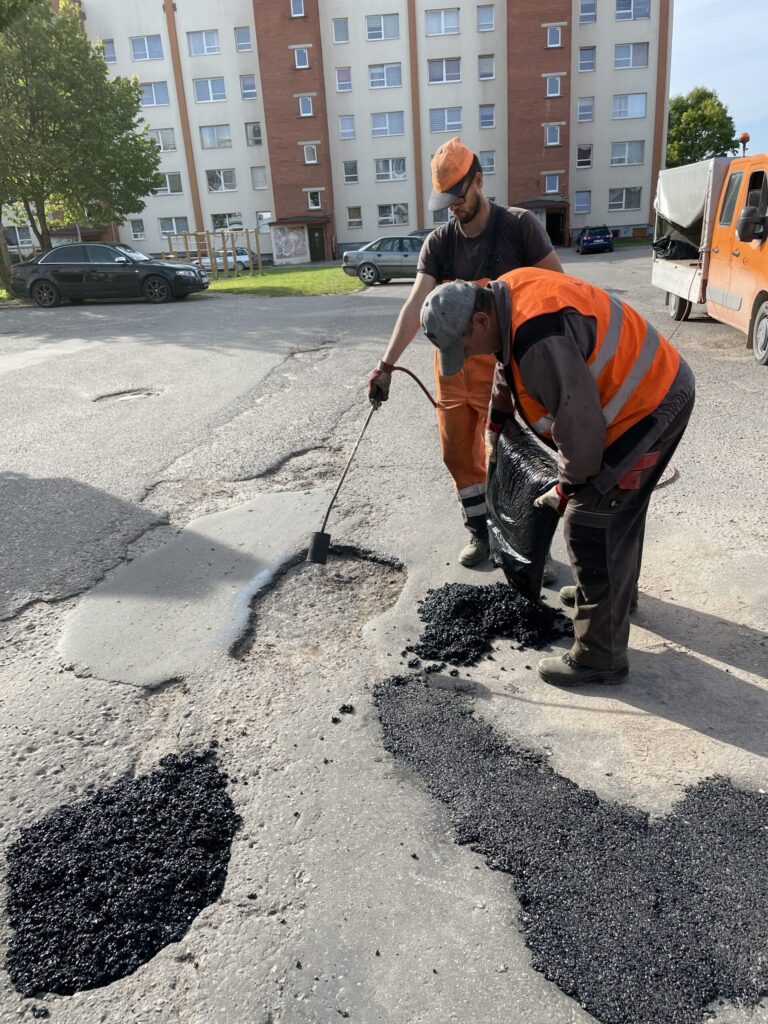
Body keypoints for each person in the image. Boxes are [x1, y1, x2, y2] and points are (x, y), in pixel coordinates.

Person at [419, 268, 695, 686]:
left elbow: (580, 429)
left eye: (466, 346)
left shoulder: (537, 335)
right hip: (653, 390)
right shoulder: (502, 299)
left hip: (648, 406)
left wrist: (566, 489)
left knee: (589, 521)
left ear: (478, 321)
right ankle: (608, 601)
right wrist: (495, 425)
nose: (470, 356)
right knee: (617, 514)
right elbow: (504, 364)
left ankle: (599, 656)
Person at [367, 137, 563, 568]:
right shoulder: (438, 244)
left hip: (507, 369)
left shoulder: (519, 228)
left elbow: (559, 293)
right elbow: (415, 303)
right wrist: (386, 366)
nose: (453, 206)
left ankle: (530, 546)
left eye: (460, 196)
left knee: (512, 457)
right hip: (453, 370)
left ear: (479, 180)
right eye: (446, 200)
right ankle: (480, 533)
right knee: (457, 453)